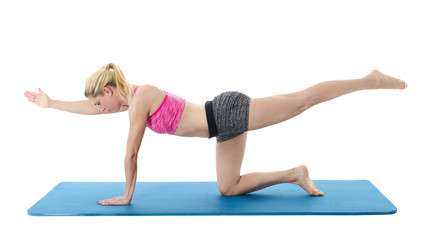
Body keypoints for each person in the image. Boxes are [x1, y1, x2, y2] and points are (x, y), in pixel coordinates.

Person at [24, 63, 408, 205]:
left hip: (226, 111)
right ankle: (295, 174)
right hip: (221, 128)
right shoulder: (130, 103)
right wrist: (53, 103)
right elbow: (85, 109)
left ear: (108, 92)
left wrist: (127, 195)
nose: (97, 109)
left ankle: (369, 80)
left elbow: (131, 154)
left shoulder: (140, 99)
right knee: (228, 186)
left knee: (301, 101)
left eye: (97, 103)